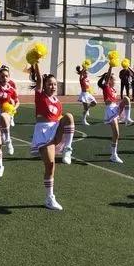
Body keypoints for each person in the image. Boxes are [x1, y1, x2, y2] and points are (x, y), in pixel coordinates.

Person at [30, 61, 76, 210]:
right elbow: (38, 78)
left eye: (55, 84)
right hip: (43, 132)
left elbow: (60, 120)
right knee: (50, 165)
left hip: (55, 129)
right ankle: (49, 198)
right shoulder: (40, 95)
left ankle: (68, 149)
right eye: (50, 84)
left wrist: (61, 134)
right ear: (44, 85)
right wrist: (36, 62)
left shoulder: (58, 102)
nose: (53, 86)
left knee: (68, 116)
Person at [98, 65, 131, 164]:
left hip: (115, 108)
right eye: (114, 79)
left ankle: (127, 119)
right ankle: (114, 155)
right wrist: (110, 67)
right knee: (116, 133)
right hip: (110, 110)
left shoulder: (113, 90)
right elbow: (107, 77)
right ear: (109, 80)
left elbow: (116, 101)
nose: (115, 81)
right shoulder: (106, 87)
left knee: (126, 99)